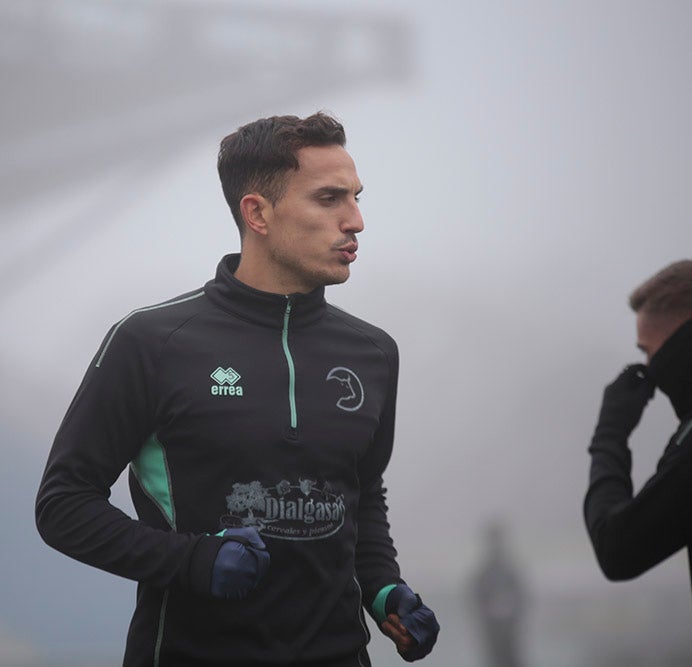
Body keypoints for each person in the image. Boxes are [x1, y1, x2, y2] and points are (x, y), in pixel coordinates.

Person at [36, 112, 439, 666]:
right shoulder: (152, 342)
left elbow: (361, 492)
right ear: (257, 213)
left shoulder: (373, 352)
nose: (357, 221)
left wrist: (383, 587)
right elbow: (63, 506)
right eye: (329, 199)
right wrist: (194, 561)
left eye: (356, 197)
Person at [583, 259, 692, 666]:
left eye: (650, 354)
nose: (651, 374)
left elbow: (617, 548)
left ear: (691, 345)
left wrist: (610, 435)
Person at [470, 520, 527, 667]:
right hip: (494, 631)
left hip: (508, 630)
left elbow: (521, 598)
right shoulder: (486, 573)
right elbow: (476, 600)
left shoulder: (507, 571)